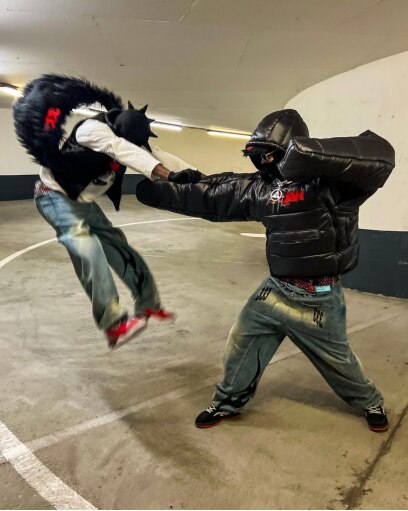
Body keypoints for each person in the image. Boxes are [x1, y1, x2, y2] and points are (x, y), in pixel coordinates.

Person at [136, 109, 395, 432]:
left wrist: (306, 155)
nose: (264, 162)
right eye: (259, 156)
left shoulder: (333, 185)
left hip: (319, 299)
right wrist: (157, 189)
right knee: (241, 343)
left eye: (270, 154)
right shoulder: (261, 188)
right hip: (275, 290)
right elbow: (214, 195)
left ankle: (369, 400)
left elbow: (380, 156)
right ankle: (227, 401)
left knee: (338, 362)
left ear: (292, 149)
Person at [13, 74, 201, 349]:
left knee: (118, 247)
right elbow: (122, 150)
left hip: (83, 201)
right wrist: (168, 175)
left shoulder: (129, 133)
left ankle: (148, 303)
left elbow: (157, 153)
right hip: (54, 196)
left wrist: (201, 177)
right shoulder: (93, 129)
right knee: (87, 249)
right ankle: (113, 324)